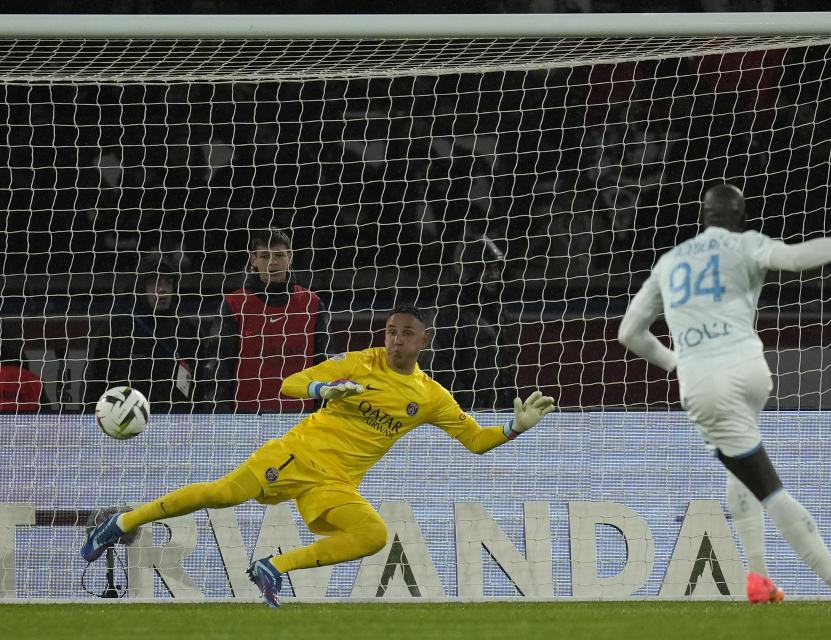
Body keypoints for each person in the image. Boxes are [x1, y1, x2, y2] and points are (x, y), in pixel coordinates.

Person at [81, 304, 556, 607]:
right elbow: (288, 384)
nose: (395, 340)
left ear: (423, 341)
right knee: (223, 494)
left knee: (372, 536)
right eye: (390, 331)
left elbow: (475, 441)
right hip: (296, 457)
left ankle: (274, 566)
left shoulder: (431, 397)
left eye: (406, 334)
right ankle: (123, 522)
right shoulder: (359, 363)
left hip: (336, 484)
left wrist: (515, 427)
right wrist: (322, 387)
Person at [617, 183, 831, 617]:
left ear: (703, 217)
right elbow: (795, 258)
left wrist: (677, 363)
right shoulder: (747, 244)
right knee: (738, 460)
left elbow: (628, 333)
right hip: (752, 370)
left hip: (705, 381)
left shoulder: (669, 263)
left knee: (767, 487)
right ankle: (758, 577)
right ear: (741, 217)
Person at [202, 227, 331, 413]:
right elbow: (217, 368)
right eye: (264, 256)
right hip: (246, 420)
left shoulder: (312, 303)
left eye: (279, 255)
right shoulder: (234, 304)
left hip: (302, 420)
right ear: (253, 259)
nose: (273, 262)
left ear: (290, 256)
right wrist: (220, 418)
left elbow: (325, 363)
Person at [85, 262, 201, 413]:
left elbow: (201, 386)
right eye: (154, 282)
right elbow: (94, 382)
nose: (162, 289)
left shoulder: (188, 330)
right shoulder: (117, 328)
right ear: (141, 287)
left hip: (177, 424)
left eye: (168, 282)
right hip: (125, 423)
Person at [431, 234, 518, 410]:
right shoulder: (451, 312)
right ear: (470, 272)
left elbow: (503, 365)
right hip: (468, 414)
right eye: (488, 269)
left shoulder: (496, 310)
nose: (495, 275)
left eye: (496, 269)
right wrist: (470, 405)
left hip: (498, 409)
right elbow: (441, 369)